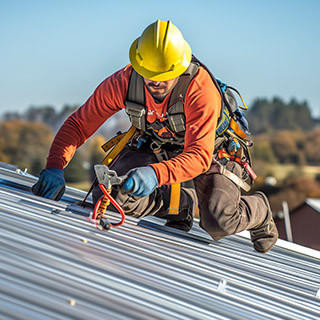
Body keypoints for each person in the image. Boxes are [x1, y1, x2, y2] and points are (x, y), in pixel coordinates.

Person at [32, 20, 278, 253]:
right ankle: (179, 205)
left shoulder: (200, 90)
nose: (157, 83)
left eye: (165, 76)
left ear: (179, 67)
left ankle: (260, 211)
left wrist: (155, 174)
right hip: (158, 144)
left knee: (219, 220)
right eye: (150, 75)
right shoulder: (123, 82)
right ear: (139, 66)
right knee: (111, 195)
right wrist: (55, 166)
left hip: (212, 151)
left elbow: (199, 157)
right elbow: (79, 124)